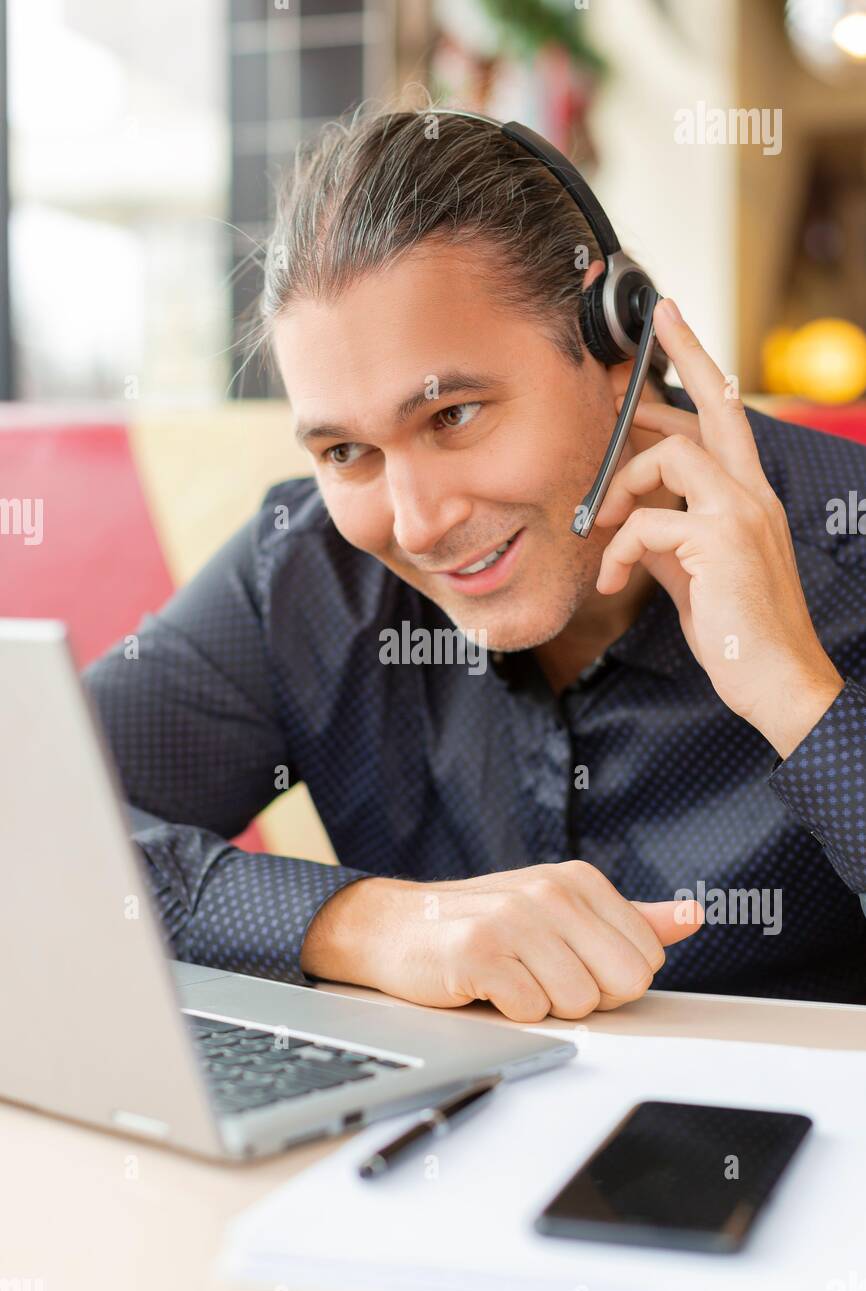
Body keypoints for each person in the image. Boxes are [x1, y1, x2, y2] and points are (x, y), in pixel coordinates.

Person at [84, 105, 866, 1021]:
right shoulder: (304, 574)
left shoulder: (847, 535)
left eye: (452, 415)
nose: (417, 525)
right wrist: (369, 925)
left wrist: (797, 694)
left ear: (621, 347)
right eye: (345, 452)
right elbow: (29, 819)